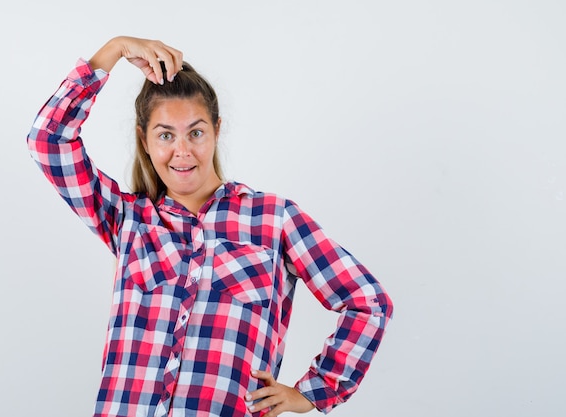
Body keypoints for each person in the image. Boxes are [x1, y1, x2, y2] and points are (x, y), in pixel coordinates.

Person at [27, 36, 393, 417]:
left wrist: (314, 391)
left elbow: (368, 302)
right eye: (165, 135)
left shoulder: (273, 219)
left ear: (217, 131)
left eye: (196, 132)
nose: (182, 151)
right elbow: (47, 140)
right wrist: (114, 50)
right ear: (145, 140)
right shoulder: (127, 219)